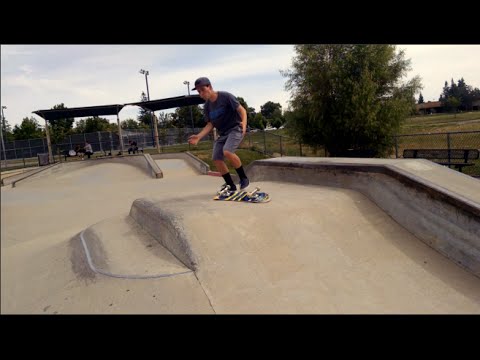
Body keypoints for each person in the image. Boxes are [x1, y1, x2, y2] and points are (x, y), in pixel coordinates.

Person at [188, 77, 249, 192]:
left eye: (202, 90)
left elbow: (242, 110)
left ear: (209, 87)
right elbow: (210, 124)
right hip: (223, 134)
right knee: (216, 158)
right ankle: (231, 185)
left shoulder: (226, 97)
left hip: (235, 129)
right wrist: (199, 136)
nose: (201, 94)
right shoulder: (207, 107)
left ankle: (244, 178)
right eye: (198, 92)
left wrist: (244, 124)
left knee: (227, 151)